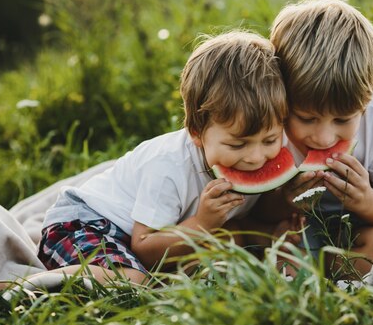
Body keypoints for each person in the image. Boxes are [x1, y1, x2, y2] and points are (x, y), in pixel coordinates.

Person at [35, 30, 289, 285]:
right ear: (197, 133)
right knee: (133, 281)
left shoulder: (255, 153)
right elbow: (144, 247)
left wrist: (286, 206)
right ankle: (17, 287)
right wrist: (202, 223)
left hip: (145, 239)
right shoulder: (169, 166)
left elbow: (249, 217)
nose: (257, 158)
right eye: (237, 145)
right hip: (84, 225)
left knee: (230, 243)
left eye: (270, 140)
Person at [257, 0, 373, 276]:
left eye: (343, 120)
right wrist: (284, 201)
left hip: (356, 229)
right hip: (289, 229)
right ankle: (322, 269)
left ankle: (313, 270)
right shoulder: (267, 110)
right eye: (306, 118)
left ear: (367, 99)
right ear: (282, 90)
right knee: (251, 237)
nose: (324, 138)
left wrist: (365, 200)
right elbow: (254, 211)